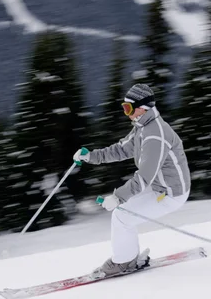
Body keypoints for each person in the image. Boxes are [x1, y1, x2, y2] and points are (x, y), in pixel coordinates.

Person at [73, 83, 191, 278]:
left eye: (128, 108)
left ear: (142, 108)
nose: (126, 113)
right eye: (124, 108)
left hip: (170, 193)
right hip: (158, 187)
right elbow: (121, 149)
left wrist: (118, 197)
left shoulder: (155, 135)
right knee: (123, 215)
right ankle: (128, 257)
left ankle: (124, 261)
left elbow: (144, 176)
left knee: (122, 216)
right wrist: (91, 157)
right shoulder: (143, 127)